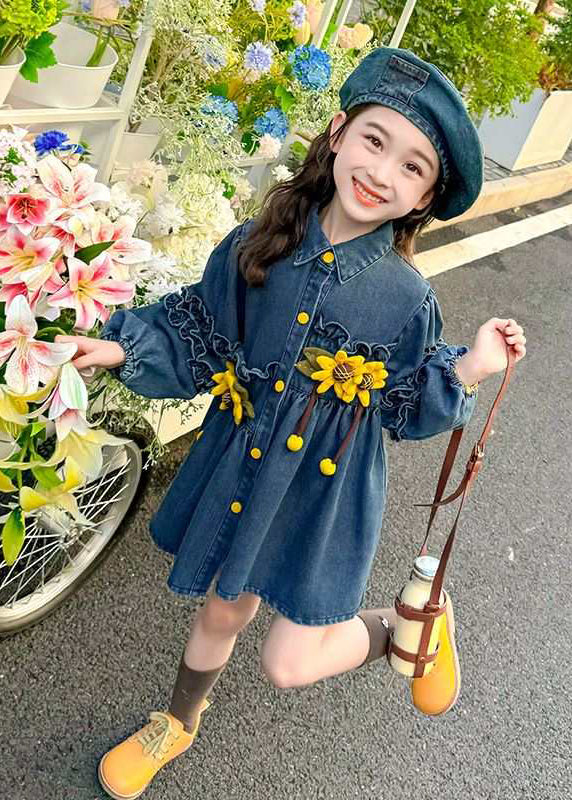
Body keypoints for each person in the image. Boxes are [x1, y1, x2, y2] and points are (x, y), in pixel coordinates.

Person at [57, 47, 526, 800]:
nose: (382, 172)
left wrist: (471, 365)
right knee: (221, 610)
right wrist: (118, 346)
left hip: (323, 498)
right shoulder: (262, 241)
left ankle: (409, 627)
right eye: (375, 140)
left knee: (286, 663)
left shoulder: (407, 299)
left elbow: (404, 405)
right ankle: (178, 722)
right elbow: (202, 327)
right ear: (338, 134)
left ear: (423, 199)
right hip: (245, 462)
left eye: (412, 167)